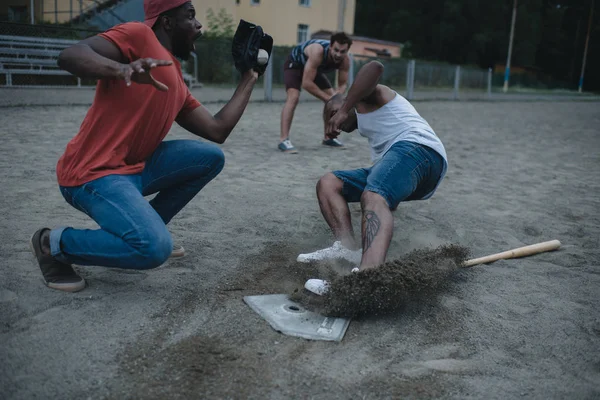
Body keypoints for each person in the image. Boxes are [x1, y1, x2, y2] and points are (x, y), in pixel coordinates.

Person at [29, 0, 272, 292]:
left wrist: (249, 78)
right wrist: (122, 69)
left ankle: (148, 225)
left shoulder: (176, 79)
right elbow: (70, 55)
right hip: (93, 174)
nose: (199, 26)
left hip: (133, 169)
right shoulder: (139, 35)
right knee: (153, 248)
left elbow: (217, 129)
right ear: (167, 22)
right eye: (191, 16)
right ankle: (51, 244)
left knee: (210, 157)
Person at [296, 60, 448, 295]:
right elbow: (389, 186)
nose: (333, 126)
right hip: (411, 165)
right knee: (329, 183)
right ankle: (347, 248)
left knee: (373, 194)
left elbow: (375, 67)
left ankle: (367, 277)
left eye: (331, 117)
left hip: (420, 150)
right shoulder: (375, 133)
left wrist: (346, 107)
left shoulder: (365, 99)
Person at [278, 33, 353, 153]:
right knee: (294, 97)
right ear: (330, 46)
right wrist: (329, 100)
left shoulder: (345, 60)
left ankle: (328, 137)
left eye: (342, 51)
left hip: (313, 69)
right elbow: (307, 83)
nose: (338, 54)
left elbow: (342, 84)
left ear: (347, 50)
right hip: (295, 64)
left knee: (333, 98)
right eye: (336, 50)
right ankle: (283, 140)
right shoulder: (318, 52)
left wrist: (336, 99)